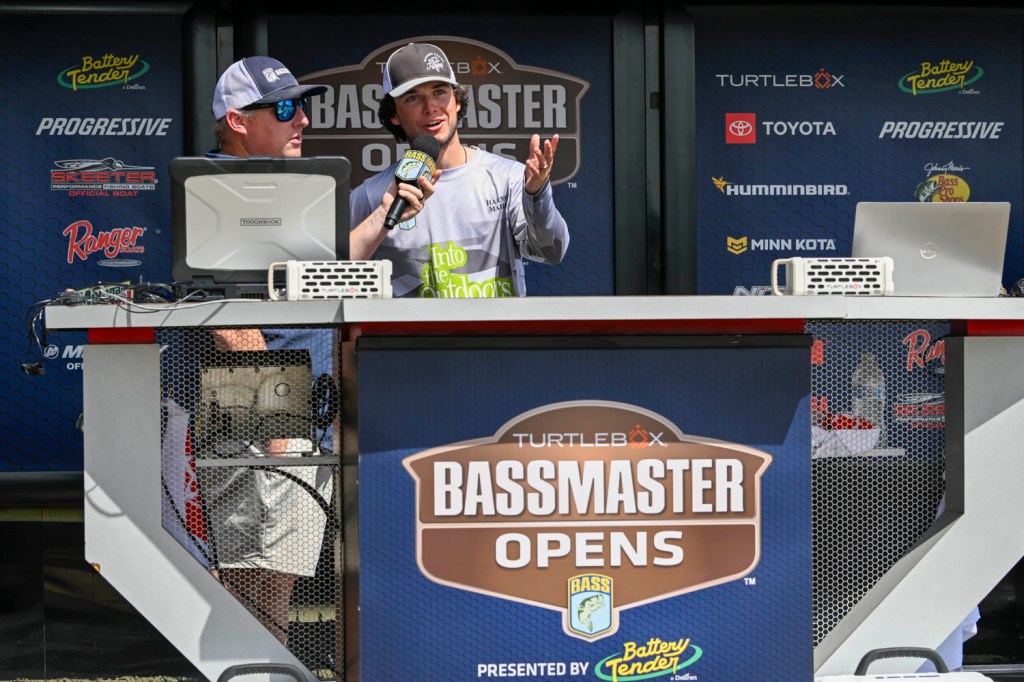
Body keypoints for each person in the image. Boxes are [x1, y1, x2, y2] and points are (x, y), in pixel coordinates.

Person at [199, 56, 434, 645]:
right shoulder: (211, 187)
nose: (301, 118)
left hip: (306, 413)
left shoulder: (288, 186)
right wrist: (278, 421)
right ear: (238, 121)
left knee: (278, 579)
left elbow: (324, 271)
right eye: (284, 108)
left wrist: (387, 211)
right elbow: (221, 318)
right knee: (246, 575)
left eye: (302, 105)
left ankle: (267, 670)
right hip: (256, 416)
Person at [349, 42, 570, 298]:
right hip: (408, 327)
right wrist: (382, 216)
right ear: (394, 115)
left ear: (456, 100)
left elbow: (551, 252)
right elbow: (328, 277)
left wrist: (537, 195)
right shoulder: (372, 195)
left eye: (439, 92)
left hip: (497, 327)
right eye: (413, 97)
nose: (430, 107)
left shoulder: (507, 177)